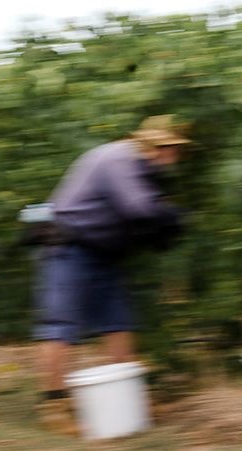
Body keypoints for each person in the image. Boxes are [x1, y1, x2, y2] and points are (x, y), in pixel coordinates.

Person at [32, 115, 190, 433]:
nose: (175, 155)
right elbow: (139, 208)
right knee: (61, 327)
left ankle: (128, 400)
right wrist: (169, 216)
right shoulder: (120, 158)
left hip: (102, 252)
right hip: (69, 247)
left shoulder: (140, 165)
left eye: (177, 148)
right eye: (170, 147)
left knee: (119, 323)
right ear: (153, 145)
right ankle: (54, 405)